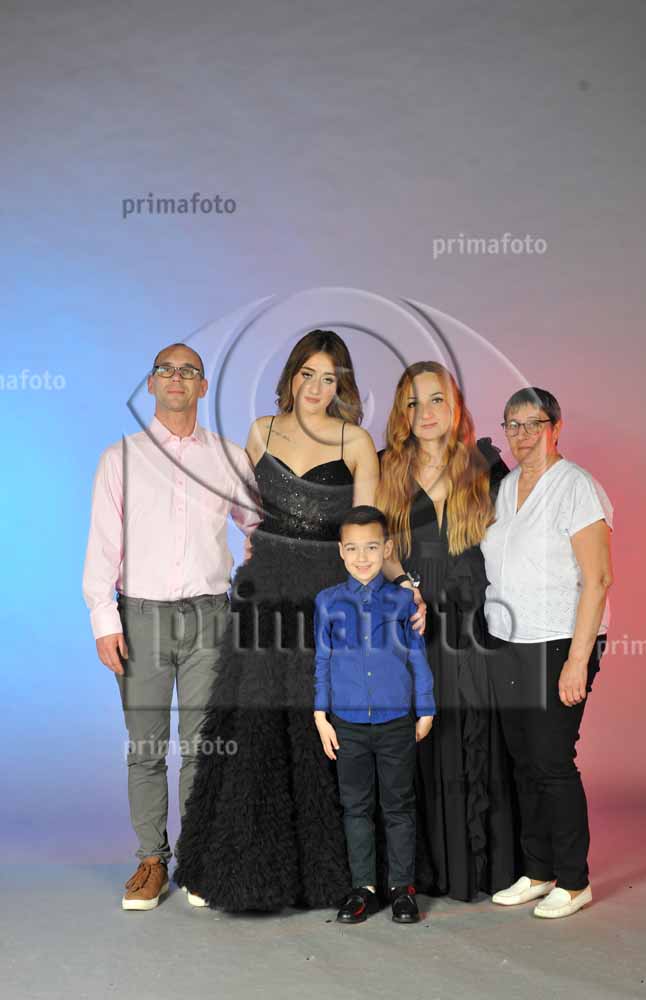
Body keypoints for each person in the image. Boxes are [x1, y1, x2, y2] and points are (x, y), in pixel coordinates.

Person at [173, 330, 426, 911]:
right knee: (255, 732)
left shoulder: (356, 441)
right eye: (307, 375)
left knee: (323, 731)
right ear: (290, 377)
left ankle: (331, 874)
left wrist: (405, 582)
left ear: (342, 386)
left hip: (326, 598)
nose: (316, 387)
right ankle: (238, 868)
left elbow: (369, 532)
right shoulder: (260, 431)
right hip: (264, 597)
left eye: (329, 378)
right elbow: (244, 516)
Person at [82, 343, 261, 910]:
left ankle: (198, 859)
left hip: (211, 617)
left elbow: (259, 526)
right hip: (141, 619)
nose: (176, 378)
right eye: (166, 369)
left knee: (205, 747)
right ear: (152, 384)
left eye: (188, 371)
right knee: (147, 746)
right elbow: (102, 546)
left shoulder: (229, 458)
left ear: (203, 386)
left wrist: (255, 576)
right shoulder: (121, 458)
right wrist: (103, 619)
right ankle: (151, 861)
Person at [376, 361, 519, 901]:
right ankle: (425, 869)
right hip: (412, 616)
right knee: (420, 737)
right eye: (413, 402)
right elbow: (378, 546)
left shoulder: (484, 465)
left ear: (455, 405)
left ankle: (482, 869)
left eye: (436, 399)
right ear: (402, 412)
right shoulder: (386, 467)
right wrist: (403, 585)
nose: (426, 412)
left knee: (475, 733)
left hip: (476, 618)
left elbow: (517, 540)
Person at [482, 387, 613, 919]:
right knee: (522, 761)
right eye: (512, 425)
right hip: (508, 641)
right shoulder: (505, 487)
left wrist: (578, 660)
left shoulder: (577, 487)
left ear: (555, 427)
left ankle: (575, 880)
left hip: (559, 641)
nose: (522, 435)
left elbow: (598, 579)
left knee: (553, 760)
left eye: (533, 424)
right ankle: (538, 872)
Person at [314, 506, 436, 924]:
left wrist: (426, 708)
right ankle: (363, 888)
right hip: (347, 724)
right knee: (356, 808)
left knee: (398, 806)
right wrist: (320, 715)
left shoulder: (403, 601)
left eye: (371, 547)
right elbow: (322, 661)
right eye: (352, 548)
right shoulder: (328, 602)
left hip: (396, 722)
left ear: (387, 548)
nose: (362, 557)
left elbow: (417, 657)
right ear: (340, 551)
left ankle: (402, 889)